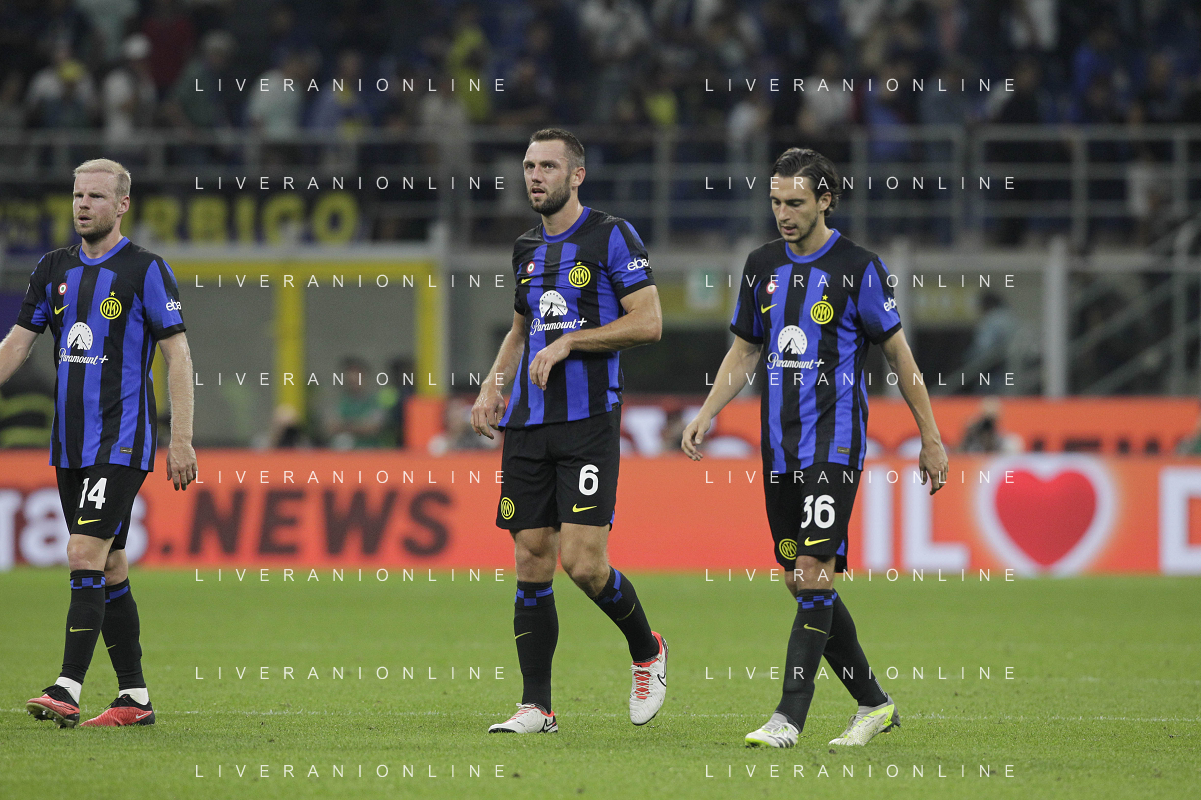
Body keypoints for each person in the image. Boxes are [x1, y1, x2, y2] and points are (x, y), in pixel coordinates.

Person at [682, 148, 948, 748]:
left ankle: (788, 717)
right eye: (776, 202)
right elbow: (745, 349)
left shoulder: (859, 268)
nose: (784, 214)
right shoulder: (761, 265)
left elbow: (899, 356)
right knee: (801, 582)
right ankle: (873, 704)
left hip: (835, 445)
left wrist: (930, 437)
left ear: (826, 200)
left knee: (812, 571)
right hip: (779, 450)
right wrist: (707, 411)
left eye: (796, 203)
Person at [471, 128, 667, 733]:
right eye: (529, 165)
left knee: (582, 564)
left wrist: (571, 342)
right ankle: (537, 707)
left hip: (587, 421)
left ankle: (648, 651)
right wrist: (492, 386)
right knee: (531, 557)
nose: (535, 176)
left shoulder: (611, 236)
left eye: (548, 166)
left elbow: (649, 322)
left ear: (577, 175)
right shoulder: (525, 247)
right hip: (528, 424)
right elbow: (520, 330)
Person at [0, 158, 196, 728]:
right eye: (78, 195)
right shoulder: (52, 268)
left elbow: (178, 355)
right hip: (70, 444)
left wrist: (181, 439)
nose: (83, 205)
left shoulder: (145, 270)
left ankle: (66, 686)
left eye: (96, 196)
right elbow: (17, 345)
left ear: (122, 205)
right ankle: (134, 698)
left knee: (83, 552)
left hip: (122, 439)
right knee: (108, 565)